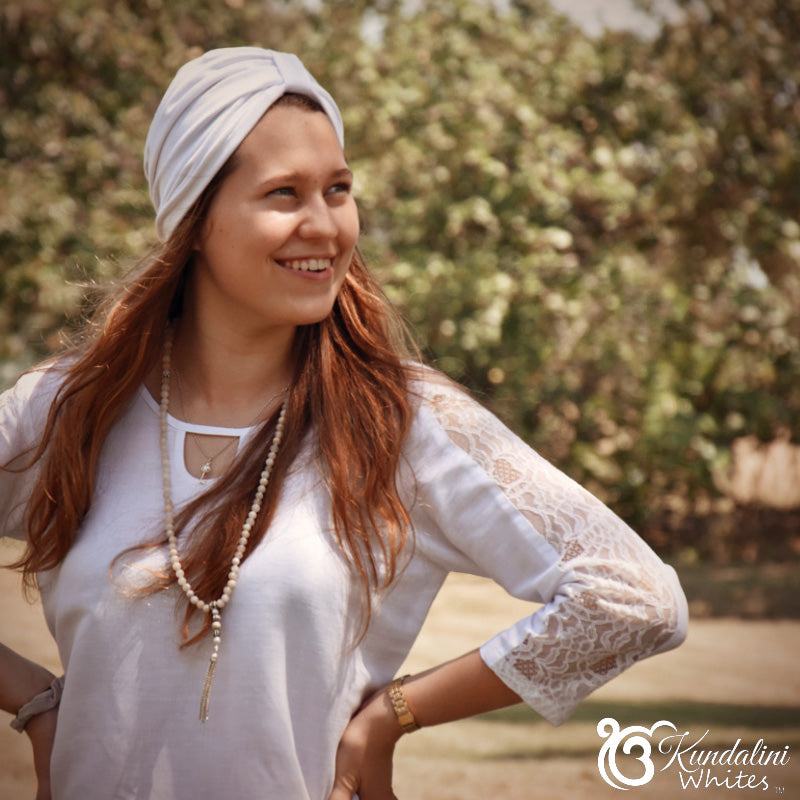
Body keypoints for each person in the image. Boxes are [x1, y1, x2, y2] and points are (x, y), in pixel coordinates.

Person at [0, 47, 688, 800]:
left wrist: (394, 715)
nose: (325, 225)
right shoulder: (68, 407)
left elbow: (634, 598)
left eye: (338, 189)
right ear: (194, 220)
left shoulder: (400, 422)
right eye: (284, 193)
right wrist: (35, 701)